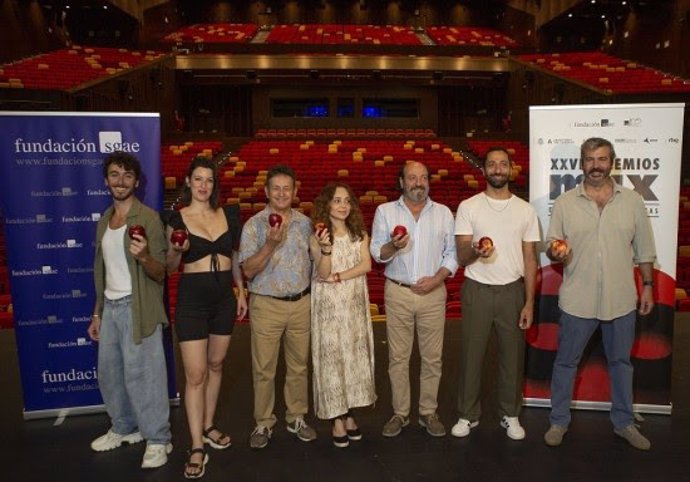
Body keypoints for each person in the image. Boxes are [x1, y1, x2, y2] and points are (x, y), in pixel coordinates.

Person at [544, 137, 656, 451]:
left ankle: (624, 423)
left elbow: (644, 250)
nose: (596, 166)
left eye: (602, 159)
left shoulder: (633, 201)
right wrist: (555, 250)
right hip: (577, 300)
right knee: (566, 363)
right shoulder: (565, 202)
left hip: (621, 301)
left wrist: (647, 285)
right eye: (591, 159)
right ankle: (558, 421)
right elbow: (552, 245)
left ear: (612, 162)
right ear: (582, 163)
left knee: (621, 363)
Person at [87, 151, 172, 469]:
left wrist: (145, 256)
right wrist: (97, 313)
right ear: (106, 180)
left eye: (126, 175)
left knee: (146, 378)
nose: (120, 181)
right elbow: (102, 272)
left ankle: (158, 439)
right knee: (110, 375)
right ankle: (125, 428)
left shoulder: (148, 218)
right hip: (110, 309)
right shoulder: (104, 220)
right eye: (114, 174)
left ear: (136, 181)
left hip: (139, 309)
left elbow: (161, 271)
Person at [166, 156, 247, 479]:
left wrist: (240, 290)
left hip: (223, 300)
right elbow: (171, 267)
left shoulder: (228, 214)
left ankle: (209, 424)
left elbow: (235, 256)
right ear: (188, 181)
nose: (203, 185)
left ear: (215, 184)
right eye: (197, 179)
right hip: (192, 301)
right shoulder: (177, 217)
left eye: (209, 180)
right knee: (195, 374)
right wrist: (177, 249)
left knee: (216, 365)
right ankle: (196, 445)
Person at [452, 147, 539, 440]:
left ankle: (510, 414)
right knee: (470, 355)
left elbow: (530, 258)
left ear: (511, 169)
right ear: (484, 169)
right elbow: (462, 257)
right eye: (492, 164)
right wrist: (476, 250)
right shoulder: (469, 206)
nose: (498, 169)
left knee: (512, 356)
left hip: (512, 291)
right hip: (476, 288)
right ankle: (467, 414)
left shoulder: (526, 210)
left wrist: (529, 301)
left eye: (503, 164)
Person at [370, 161, 458, 438]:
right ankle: (400, 413)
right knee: (398, 358)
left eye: (423, 177)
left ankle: (428, 412)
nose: (418, 183)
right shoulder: (384, 211)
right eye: (412, 178)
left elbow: (452, 253)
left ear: (429, 181)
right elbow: (377, 253)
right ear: (401, 182)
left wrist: (438, 278)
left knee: (432, 359)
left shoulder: (443, 213)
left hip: (434, 292)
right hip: (398, 292)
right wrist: (393, 246)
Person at [238, 165, 317, 449]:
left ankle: (296, 416)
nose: (282, 193)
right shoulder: (254, 225)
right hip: (266, 304)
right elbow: (247, 271)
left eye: (287, 188)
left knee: (299, 366)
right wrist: (270, 245)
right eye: (276, 188)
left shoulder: (306, 224)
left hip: (300, 303)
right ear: (266, 191)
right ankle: (263, 422)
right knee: (264, 369)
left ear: (295, 191)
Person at [310, 182, 376, 448]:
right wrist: (326, 250)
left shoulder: (359, 232)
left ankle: (350, 412)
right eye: (337, 200)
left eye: (347, 201)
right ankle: (336, 417)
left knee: (352, 358)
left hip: (354, 303)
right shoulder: (317, 234)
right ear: (326, 204)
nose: (343, 206)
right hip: (328, 306)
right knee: (332, 360)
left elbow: (366, 265)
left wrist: (340, 276)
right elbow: (322, 273)